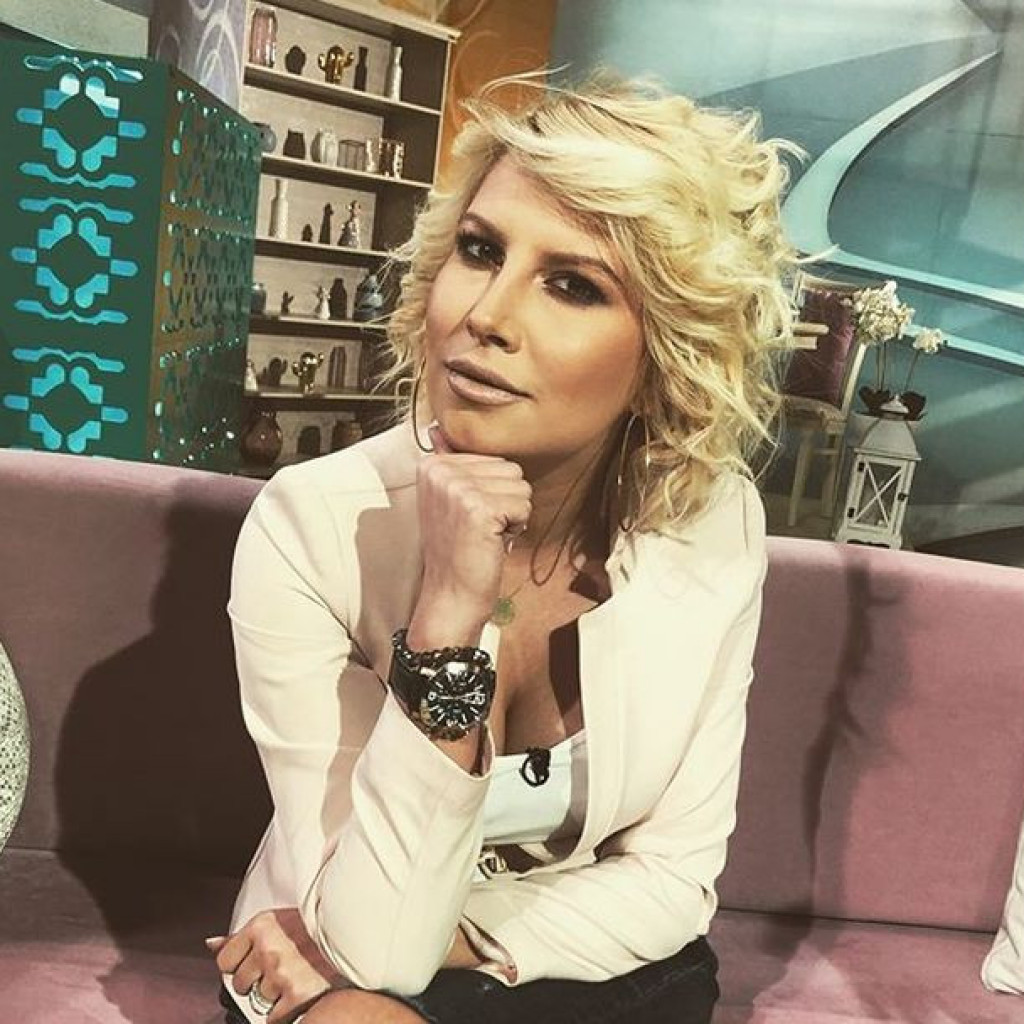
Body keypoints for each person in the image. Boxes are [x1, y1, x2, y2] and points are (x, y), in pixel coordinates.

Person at [210, 70, 800, 1024]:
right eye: (480, 250)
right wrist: (449, 617)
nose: (485, 314)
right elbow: (376, 946)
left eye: (572, 285)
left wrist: (469, 937)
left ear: (667, 356)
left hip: (584, 963)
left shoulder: (712, 521)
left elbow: (675, 878)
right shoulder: (310, 523)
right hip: (346, 958)